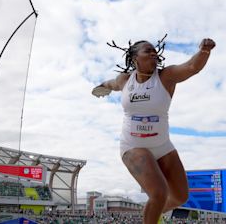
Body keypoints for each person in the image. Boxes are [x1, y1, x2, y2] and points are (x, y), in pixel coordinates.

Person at [92, 37, 216, 224]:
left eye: (154, 51)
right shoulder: (125, 80)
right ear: (135, 59)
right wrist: (103, 87)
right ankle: (153, 210)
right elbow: (112, 84)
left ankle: (153, 212)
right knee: (159, 192)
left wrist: (204, 51)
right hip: (133, 145)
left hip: (162, 146)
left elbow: (191, 67)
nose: (153, 53)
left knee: (180, 197)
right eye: (147, 51)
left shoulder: (166, 76)